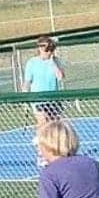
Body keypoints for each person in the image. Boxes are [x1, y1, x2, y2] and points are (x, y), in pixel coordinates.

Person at [22, 37, 66, 165]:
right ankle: (41, 155)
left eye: (51, 49)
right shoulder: (32, 63)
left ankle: (56, 152)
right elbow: (27, 82)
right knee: (42, 126)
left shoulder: (56, 61)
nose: (49, 52)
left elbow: (61, 77)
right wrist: (25, 96)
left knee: (54, 126)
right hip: (38, 99)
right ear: (40, 49)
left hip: (53, 99)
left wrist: (53, 62)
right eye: (47, 49)